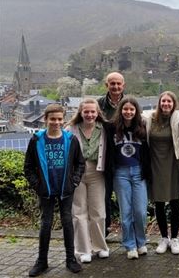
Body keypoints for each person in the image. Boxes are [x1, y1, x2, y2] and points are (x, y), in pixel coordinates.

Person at [24, 104, 85, 276]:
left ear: (63, 119)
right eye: (53, 119)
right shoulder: (36, 140)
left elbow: (80, 163)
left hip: (65, 189)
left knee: (67, 223)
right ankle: (41, 261)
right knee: (46, 224)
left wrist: (73, 182)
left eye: (59, 119)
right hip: (46, 191)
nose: (56, 122)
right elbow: (28, 167)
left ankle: (70, 259)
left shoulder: (71, 139)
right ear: (46, 119)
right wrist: (38, 186)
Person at [106, 96, 151, 260]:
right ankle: (130, 245)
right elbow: (93, 121)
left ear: (136, 111)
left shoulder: (143, 127)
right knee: (126, 212)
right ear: (121, 110)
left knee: (139, 211)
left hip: (139, 172)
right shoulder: (112, 128)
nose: (128, 112)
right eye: (125, 109)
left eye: (132, 109)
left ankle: (141, 242)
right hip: (120, 173)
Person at [66, 98, 110, 264]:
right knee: (78, 212)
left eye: (93, 111)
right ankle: (84, 249)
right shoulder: (71, 130)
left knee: (98, 211)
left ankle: (100, 247)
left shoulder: (105, 129)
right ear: (80, 113)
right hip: (76, 174)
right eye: (86, 112)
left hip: (97, 172)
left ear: (97, 112)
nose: (90, 115)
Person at [142, 91, 179, 255]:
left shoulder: (178, 119)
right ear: (159, 103)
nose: (166, 104)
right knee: (158, 203)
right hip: (155, 164)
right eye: (163, 101)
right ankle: (164, 237)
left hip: (172, 163)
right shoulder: (149, 119)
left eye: (169, 102)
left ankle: (174, 238)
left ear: (174, 104)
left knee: (174, 202)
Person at [97, 72, 125, 236]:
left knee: (125, 198)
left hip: (124, 156)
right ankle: (104, 230)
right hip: (105, 156)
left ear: (123, 85)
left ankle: (128, 232)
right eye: (112, 83)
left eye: (118, 84)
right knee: (104, 196)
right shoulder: (99, 104)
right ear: (106, 85)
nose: (115, 87)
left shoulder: (129, 103)